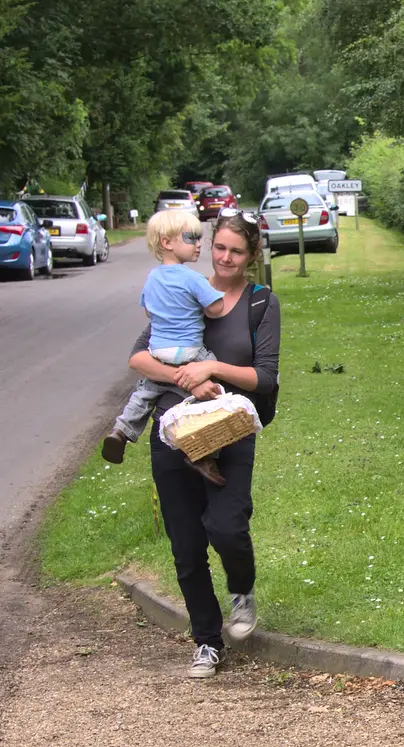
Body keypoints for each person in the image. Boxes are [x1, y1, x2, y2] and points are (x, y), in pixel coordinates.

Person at [127, 210, 280, 678]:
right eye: (219, 248)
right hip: (172, 433)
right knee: (187, 545)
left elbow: (265, 378)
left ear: (252, 255)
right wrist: (182, 376)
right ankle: (207, 641)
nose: (225, 257)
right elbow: (138, 356)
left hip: (228, 430)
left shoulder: (260, 302)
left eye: (237, 251)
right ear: (209, 247)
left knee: (228, 526)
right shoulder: (179, 287)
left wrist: (210, 369)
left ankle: (242, 592)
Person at [102, 209, 230, 483]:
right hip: (190, 351)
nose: (198, 244)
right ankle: (204, 454)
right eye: (191, 238)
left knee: (145, 392)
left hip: (158, 352)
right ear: (167, 242)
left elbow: (149, 312)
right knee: (213, 390)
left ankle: (121, 432)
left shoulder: (152, 278)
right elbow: (217, 308)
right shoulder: (192, 278)